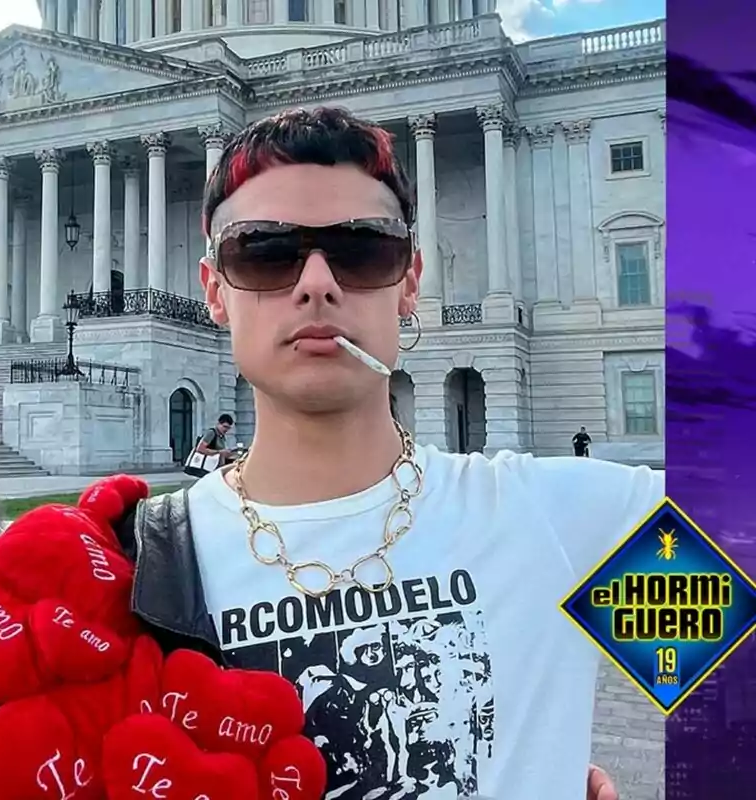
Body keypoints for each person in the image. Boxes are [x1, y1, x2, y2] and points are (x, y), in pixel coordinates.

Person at [114, 108, 653, 800]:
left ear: (408, 280)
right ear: (216, 290)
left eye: (363, 249)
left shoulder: (569, 522)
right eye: (265, 252)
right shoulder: (132, 571)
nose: (316, 284)